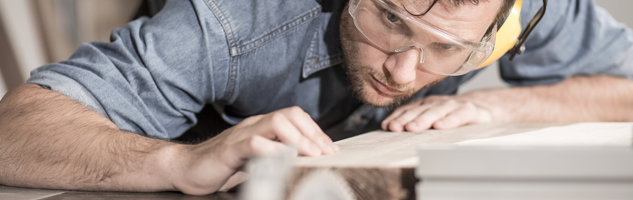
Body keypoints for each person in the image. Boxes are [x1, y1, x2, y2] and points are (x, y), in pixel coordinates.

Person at [1, 0, 632, 195]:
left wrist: (502, 105)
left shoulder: (517, 9)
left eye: (447, 50)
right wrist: (176, 162)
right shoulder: (231, 21)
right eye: (389, 19)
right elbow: (13, 134)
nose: (405, 69)